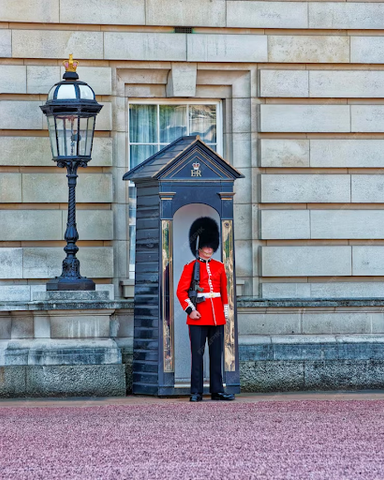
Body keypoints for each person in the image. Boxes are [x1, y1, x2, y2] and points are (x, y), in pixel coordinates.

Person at [176, 217, 235, 402]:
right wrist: (190, 310)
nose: (209, 250)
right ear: (199, 247)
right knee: (198, 355)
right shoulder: (190, 267)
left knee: (216, 355)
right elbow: (181, 292)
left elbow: (224, 292)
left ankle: (217, 390)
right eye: (205, 246)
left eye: (211, 246)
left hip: (217, 316)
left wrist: (225, 314)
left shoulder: (219, 267)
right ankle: (196, 391)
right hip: (198, 316)